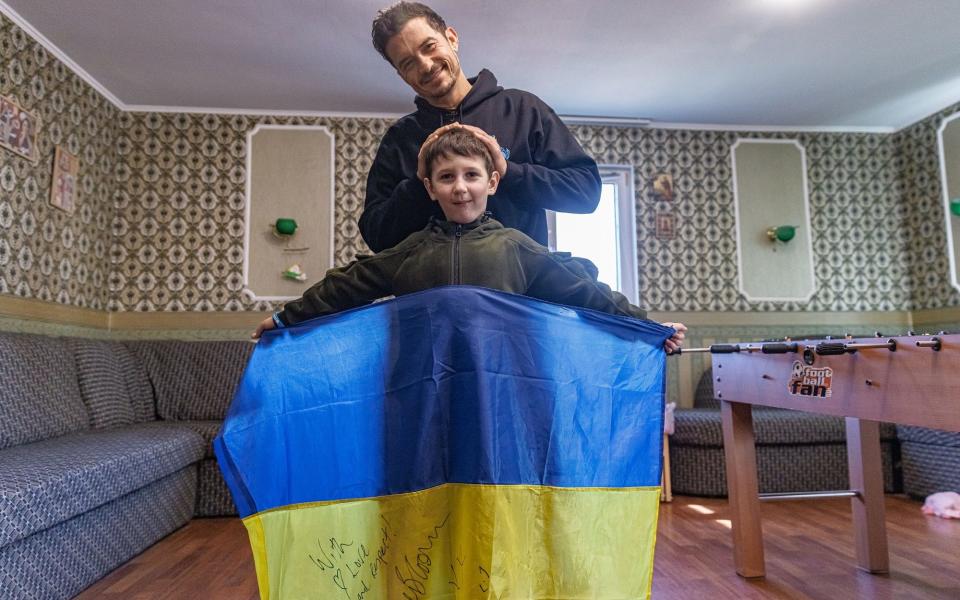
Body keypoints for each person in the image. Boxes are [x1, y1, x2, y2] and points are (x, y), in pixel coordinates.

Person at [254, 129, 686, 352]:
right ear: (430, 188)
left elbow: (586, 291)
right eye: (446, 177)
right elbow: (346, 285)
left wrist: (648, 326)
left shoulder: (517, 248)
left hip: (505, 381)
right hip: (422, 384)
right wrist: (286, 319)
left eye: (471, 175)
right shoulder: (410, 252)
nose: (460, 187)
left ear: (492, 182)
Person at [359, 1, 602, 252]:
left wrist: (509, 172)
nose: (426, 66)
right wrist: (419, 184)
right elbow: (377, 237)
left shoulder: (523, 110)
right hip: (433, 289)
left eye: (429, 47)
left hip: (520, 288)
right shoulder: (400, 139)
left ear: (451, 38)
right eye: (408, 63)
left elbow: (586, 193)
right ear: (401, 74)